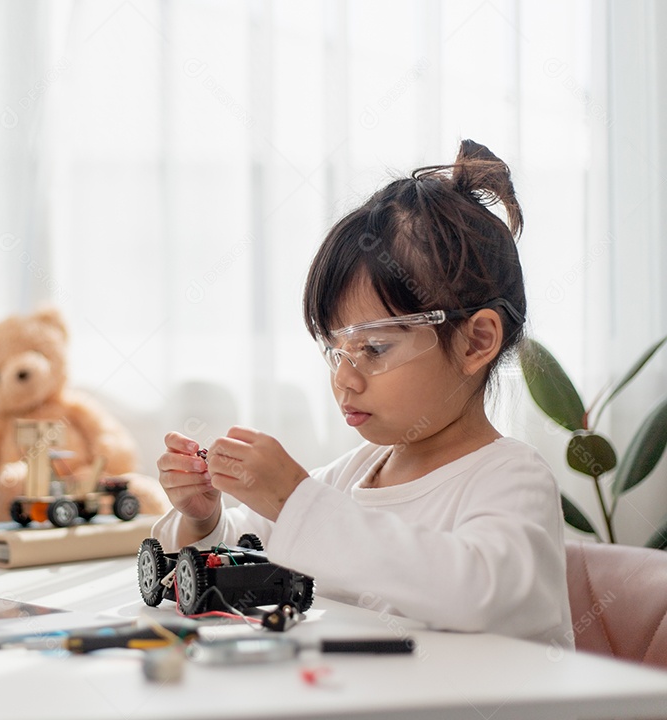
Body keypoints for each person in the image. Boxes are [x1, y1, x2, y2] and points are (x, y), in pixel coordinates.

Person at [154, 139, 573, 647]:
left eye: (374, 348)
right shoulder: (356, 473)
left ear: (477, 341)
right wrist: (204, 516)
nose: (344, 379)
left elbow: (476, 592)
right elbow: (244, 547)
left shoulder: (511, 478)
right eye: (335, 350)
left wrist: (294, 500)